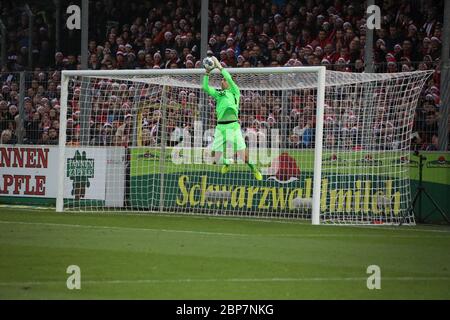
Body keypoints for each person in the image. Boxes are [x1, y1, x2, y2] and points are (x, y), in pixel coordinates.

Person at [202, 56, 262, 181]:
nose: (222, 81)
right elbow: (205, 88)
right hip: (221, 127)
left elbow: (228, 77)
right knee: (214, 157)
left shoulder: (235, 92)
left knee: (244, 158)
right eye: (222, 80)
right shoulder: (219, 94)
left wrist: (219, 67)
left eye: (224, 80)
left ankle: (254, 169)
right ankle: (227, 162)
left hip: (233, 127)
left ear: (229, 83)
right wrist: (207, 73)